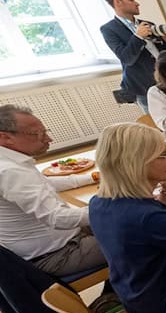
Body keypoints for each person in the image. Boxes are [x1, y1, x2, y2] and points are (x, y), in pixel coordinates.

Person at [88, 123, 166, 313]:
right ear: (136, 164)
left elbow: (154, 236)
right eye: (163, 155)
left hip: (139, 305)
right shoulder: (150, 218)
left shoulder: (98, 203)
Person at [0, 105, 104, 278]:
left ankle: (114, 292)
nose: (49, 139)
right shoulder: (10, 171)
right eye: (39, 134)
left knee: (131, 224)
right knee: (142, 237)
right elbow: (58, 218)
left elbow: (43, 183)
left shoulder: (9, 163)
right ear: (5, 137)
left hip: (55, 244)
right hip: (57, 255)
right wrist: (113, 207)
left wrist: (93, 177)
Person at [100, 0, 166, 113]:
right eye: (131, 0)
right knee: (159, 127)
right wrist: (138, 36)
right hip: (144, 88)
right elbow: (126, 59)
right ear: (117, 2)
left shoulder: (148, 25)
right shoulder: (109, 29)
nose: (137, 3)